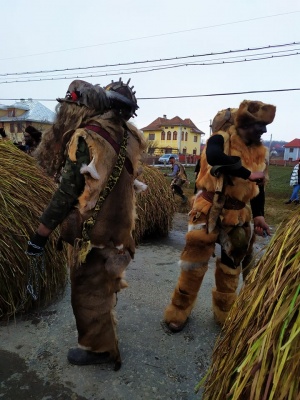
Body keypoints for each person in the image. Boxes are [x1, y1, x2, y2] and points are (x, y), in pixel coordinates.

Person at [26, 78, 147, 370]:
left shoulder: (88, 136)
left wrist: (41, 234)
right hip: (121, 229)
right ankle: (103, 332)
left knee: (86, 288)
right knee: (104, 283)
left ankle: (96, 348)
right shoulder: (129, 134)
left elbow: (68, 191)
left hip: (95, 231)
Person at [164, 99, 276, 332]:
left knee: (231, 266)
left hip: (238, 216)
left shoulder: (260, 152)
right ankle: (179, 310)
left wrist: (259, 216)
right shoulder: (220, 139)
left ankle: (225, 314)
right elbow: (215, 157)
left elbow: (259, 187)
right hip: (207, 210)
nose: (263, 131)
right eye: (259, 126)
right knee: (193, 264)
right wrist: (247, 172)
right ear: (245, 123)